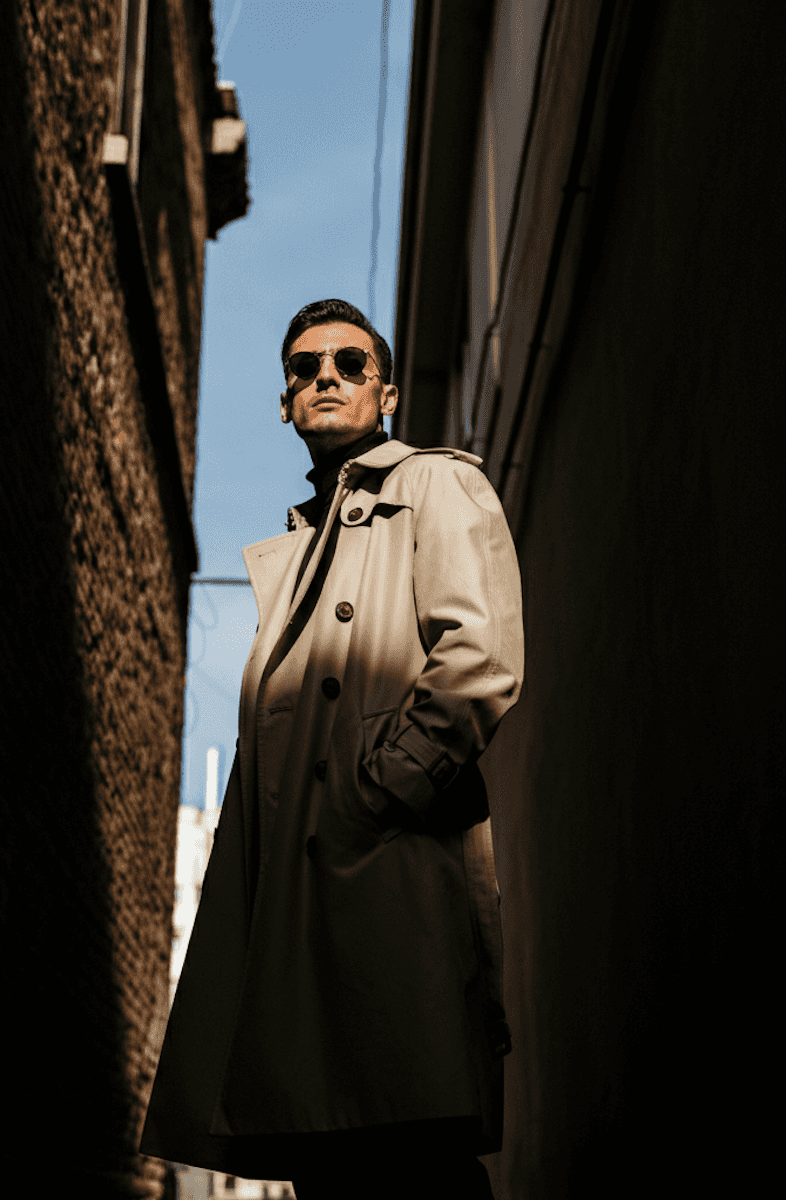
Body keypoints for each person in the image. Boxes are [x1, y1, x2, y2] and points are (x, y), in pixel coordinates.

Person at [139, 299, 524, 1198]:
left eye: (351, 364)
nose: (327, 377)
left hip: (382, 875)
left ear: (385, 390)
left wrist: (379, 790)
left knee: (408, 1150)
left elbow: (481, 656)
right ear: (284, 401)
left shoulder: (432, 485)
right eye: (306, 366)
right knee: (333, 1152)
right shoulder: (308, 540)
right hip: (307, 902)